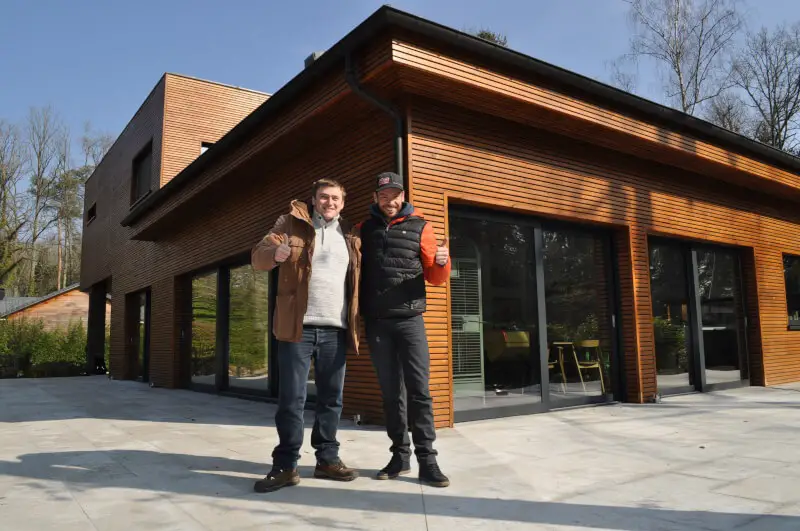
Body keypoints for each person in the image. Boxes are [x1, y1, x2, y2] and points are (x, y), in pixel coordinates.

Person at [250, 178, 361, 493]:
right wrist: (276, 254)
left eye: (335, 198)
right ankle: (286, 465)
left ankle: (327, 460)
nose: (329, 202)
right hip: (298, 328)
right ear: (314, 200)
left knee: (331, 399)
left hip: (336, 329)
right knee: (292, 400)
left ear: (342, 203)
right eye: (324, 197)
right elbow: (258, 256)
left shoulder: (351, 234)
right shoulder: (290, 223)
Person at [359, 171, 451, 488]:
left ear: (403, 196)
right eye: (383, 195)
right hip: (377, 322)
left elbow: (436, 278)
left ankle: (428, 460)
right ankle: (400, 455)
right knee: (390, 394)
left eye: (394, 195)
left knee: (419, 391)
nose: (389, 200)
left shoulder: (421, 226)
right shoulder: (362, 230)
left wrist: (442, 262)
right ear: (376, 198)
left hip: (410, 320)